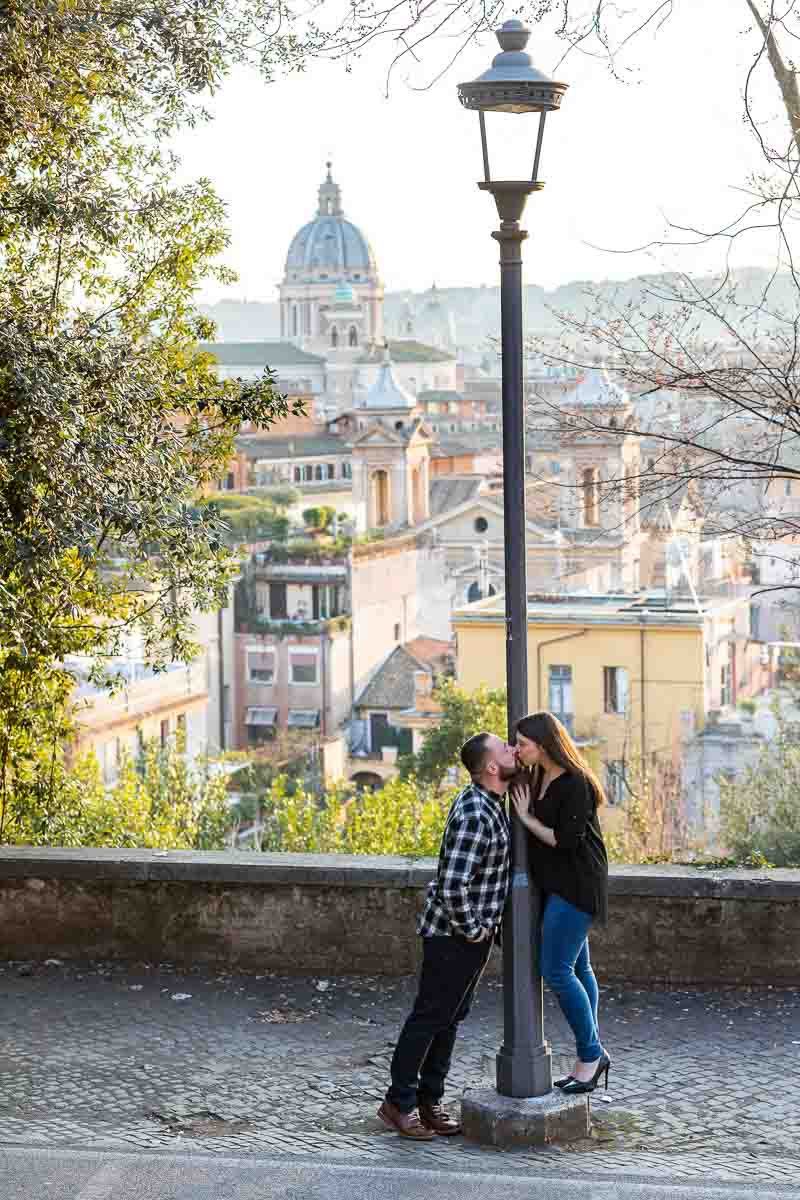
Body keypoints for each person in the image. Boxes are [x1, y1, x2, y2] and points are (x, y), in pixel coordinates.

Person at [378, 731, 517, 1140]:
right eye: (505, 749)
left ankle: (428, 1100)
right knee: (429, 1019)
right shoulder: (478, 813)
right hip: (454, 936)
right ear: (491, 767)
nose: (512, 750)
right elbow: (453, 884)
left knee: (448, 1019)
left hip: (466, 936)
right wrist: (475, 930)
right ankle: (397, 1103)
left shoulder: (492, 802)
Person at [510, 711, 610, 1095]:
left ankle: (590, 1053)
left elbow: (565, 840)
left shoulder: (576, 783)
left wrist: (525, 817)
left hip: (577, 885)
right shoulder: (537, 775)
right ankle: (593, 1052)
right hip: (557, 885)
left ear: (544, 744)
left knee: (556, 970)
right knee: (579, 968)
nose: (518, 750)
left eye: (523, 743)